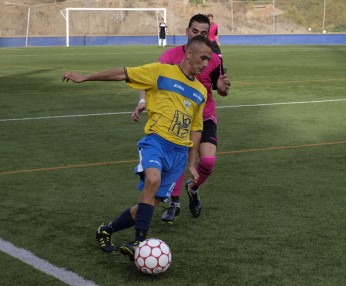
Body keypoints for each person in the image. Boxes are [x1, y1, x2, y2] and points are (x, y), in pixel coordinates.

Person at [62, 35, 213, 258]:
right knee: (152, 180)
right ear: (189, 54)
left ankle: (106, 230)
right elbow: (123, 73)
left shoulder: (200, 91)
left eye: (209, 60)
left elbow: (196, 127)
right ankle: (138, 243)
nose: (206, 64)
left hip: (179, 154)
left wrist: (192, 162)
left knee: (149, 204)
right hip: (156, 143)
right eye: (203, 58)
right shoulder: (160, 72)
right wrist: (86, 77)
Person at [131, 14, 230, 224]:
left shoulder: (214, 59)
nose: (200, 35)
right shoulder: (171, 56)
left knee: (209, 162)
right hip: (178, 117)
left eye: (204, 33)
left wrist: (222, 88)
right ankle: (174, 202)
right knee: (178, 158)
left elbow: (220, 88)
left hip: (205, 115)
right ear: (187, 32)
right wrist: (142, 102)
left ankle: (192, 188)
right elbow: (149, 78)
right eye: (195, 31)